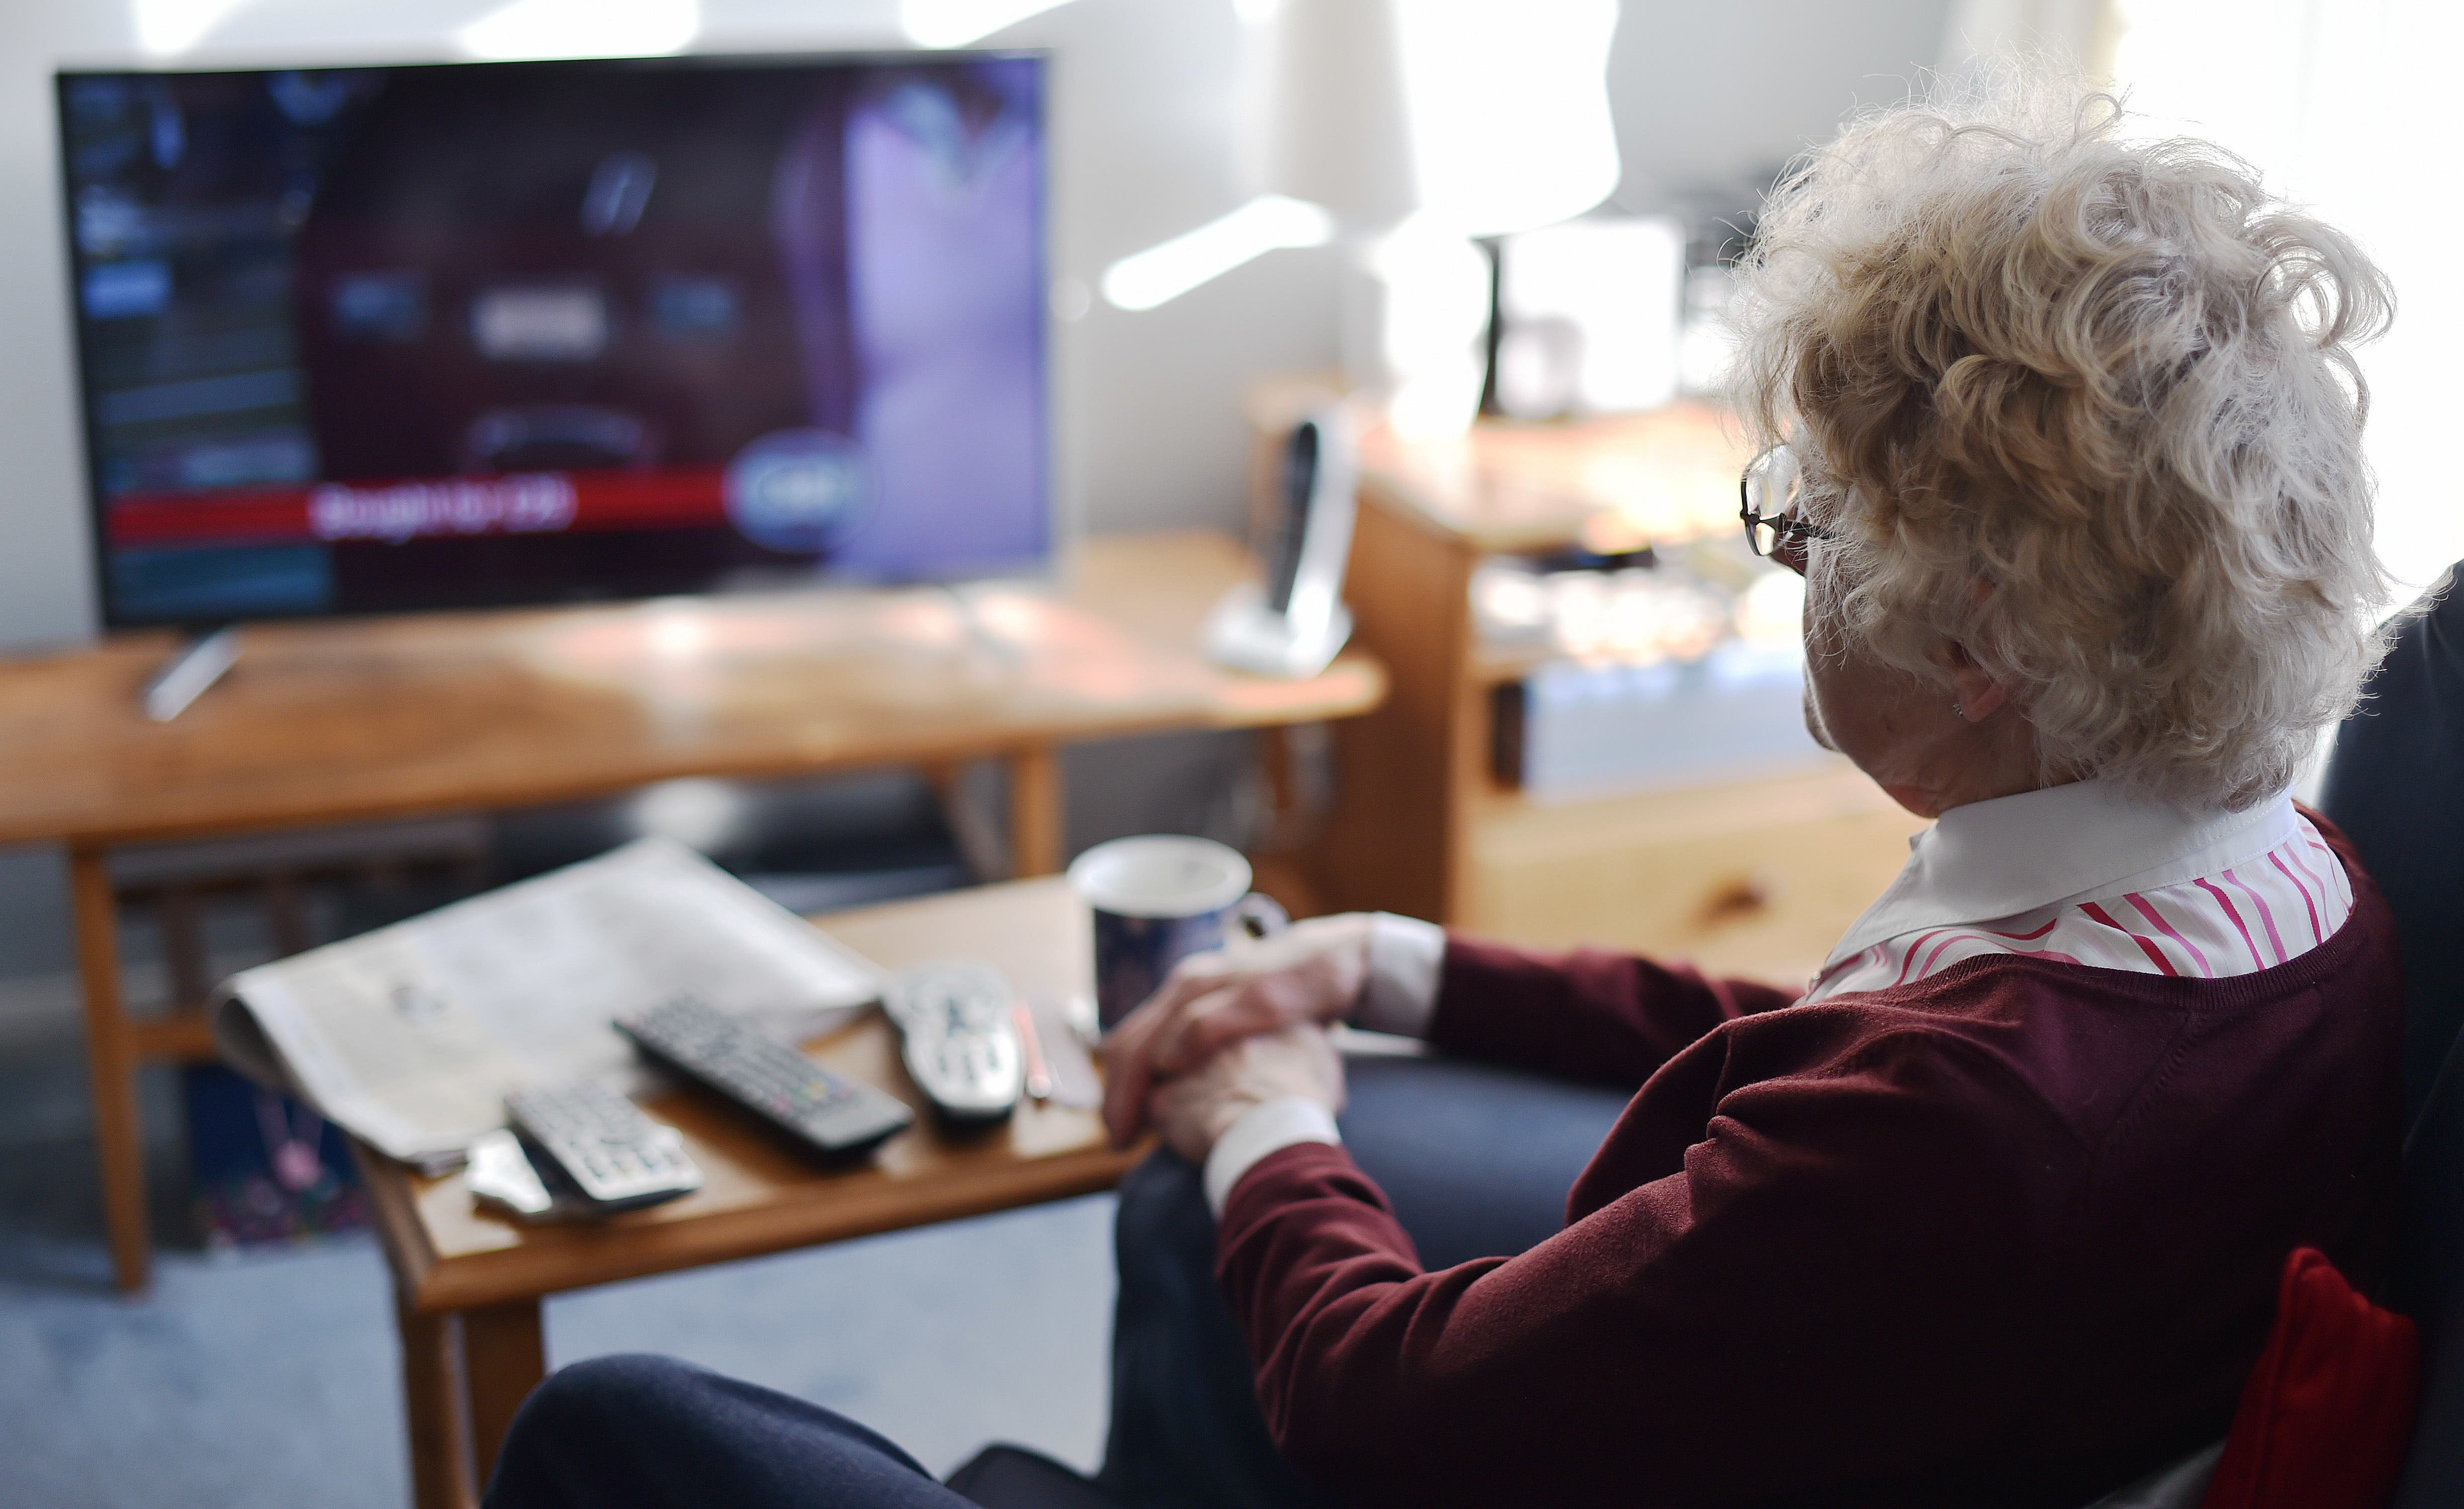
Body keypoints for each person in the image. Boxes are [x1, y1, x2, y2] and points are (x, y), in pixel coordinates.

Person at [485, 84, 2409, 1509]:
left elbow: (1386, 1405)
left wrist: (1264, 1119)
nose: (1788, 563)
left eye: (1803, 527)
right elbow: (1824, 1050)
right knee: (1223, 1199)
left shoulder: (1971, 1126)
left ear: (1981, 635)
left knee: (609, 1429)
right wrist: (1395, 969)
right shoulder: (2274, 877)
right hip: (1914, 1389)